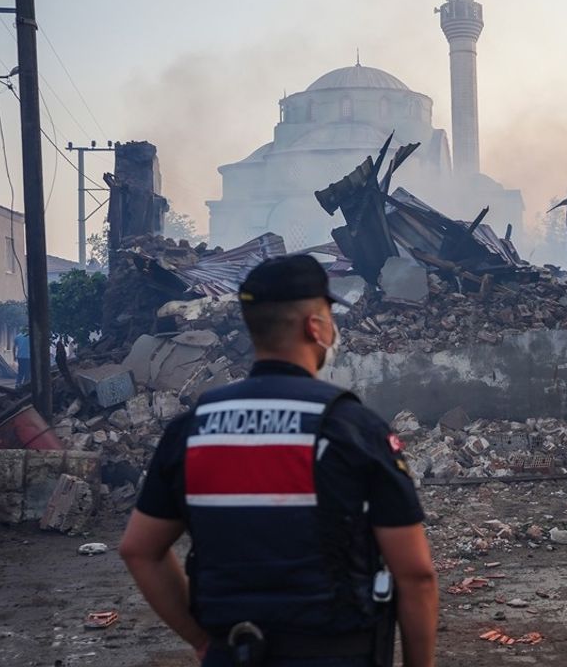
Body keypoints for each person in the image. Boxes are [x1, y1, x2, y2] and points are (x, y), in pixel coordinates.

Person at [119, 254, 438, 667]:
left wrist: (203, 641)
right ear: (316, 328)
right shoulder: (353, 428)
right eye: (330, 317)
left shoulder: (192, 430)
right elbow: (416, 575)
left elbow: (139, 550)